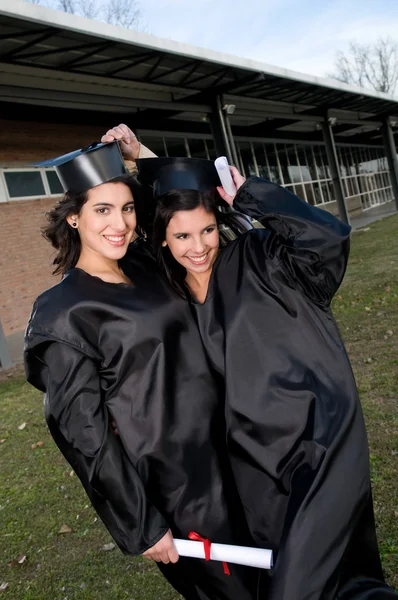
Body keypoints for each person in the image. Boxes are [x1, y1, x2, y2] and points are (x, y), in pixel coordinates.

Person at [133, 154, 397, 600]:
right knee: (326, 580)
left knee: (300, 585)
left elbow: (327, 239)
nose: (198, 246)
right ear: (161, 239)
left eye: (208, 230)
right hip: (254, 465)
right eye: (181, 235)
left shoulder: (263, 258)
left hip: (317, 445)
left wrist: (253, 195)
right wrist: (140, 160)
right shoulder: (170, 297)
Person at [24, 141, 266, 600]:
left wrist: (142, 157)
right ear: (73, 216)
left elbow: (186, 217)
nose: (120, 224)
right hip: (180, 489)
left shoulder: (147, 263)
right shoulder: (62, 313)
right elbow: (84, 436)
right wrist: (141, 522)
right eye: (103, 210)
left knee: (285, 578)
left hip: (237, 452)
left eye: (128, 208)